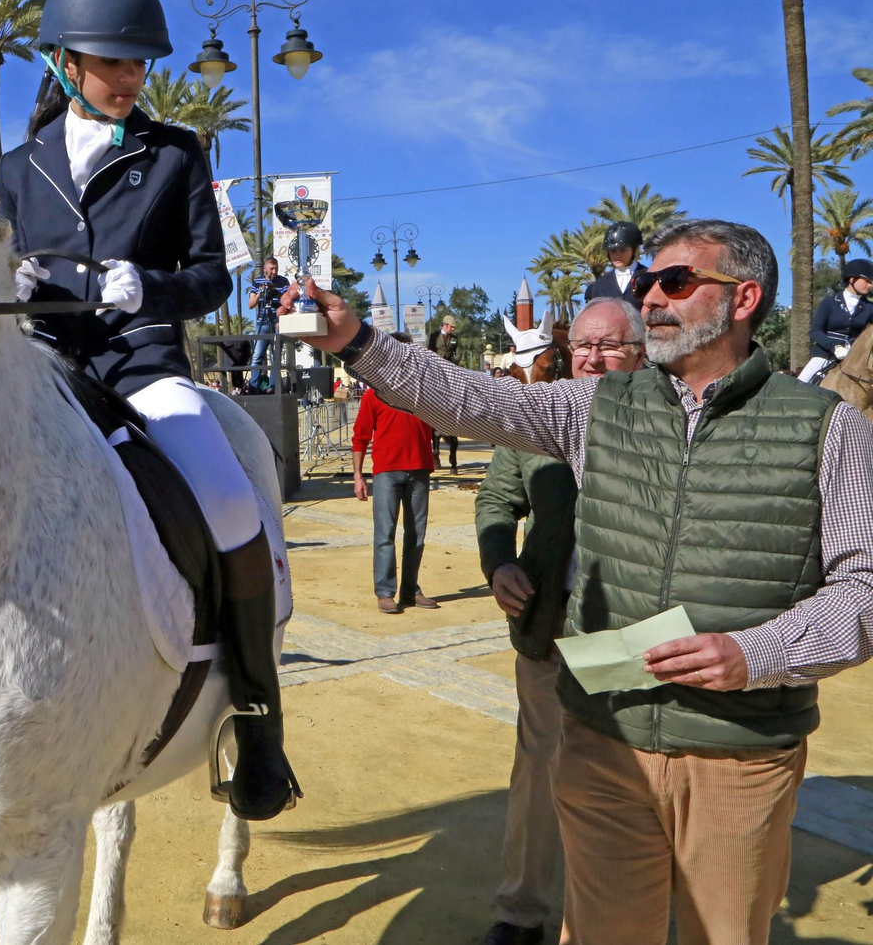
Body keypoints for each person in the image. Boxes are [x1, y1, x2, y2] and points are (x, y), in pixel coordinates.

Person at [286, 219, 873, 944]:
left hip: (739, 755)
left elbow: (863, 588)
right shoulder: (599, 407)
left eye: (677, 282)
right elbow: (475, 400)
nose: (652, 296)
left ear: (744, 297)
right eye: (650, 281)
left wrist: (759, 653)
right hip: (604, 742)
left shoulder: (828, 427)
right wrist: (360, 343)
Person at [0, 0, 298, 821]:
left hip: (141, 363)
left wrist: (145, 288)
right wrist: (4, 279)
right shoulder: (16, 168)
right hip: (45, 363)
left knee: (232, 503)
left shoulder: (174, 153)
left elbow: (212, 281)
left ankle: (259, 720)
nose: (130, 79)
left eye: (138, 65)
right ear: (63, 63)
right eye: (112, 62)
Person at [474, 296, 646, 945]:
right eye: (584, 348)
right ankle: (520, 912)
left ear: (639, 354)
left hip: (625, 634)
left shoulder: (660, 422)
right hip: (549, 627)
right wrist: (499, 562)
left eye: (610, 347)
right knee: (541, 769)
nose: (595, 359)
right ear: (566, 356)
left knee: (616, 775)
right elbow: (497, 497)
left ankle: (602, 919)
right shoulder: (536, 418)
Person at [352, 333, 437, 614]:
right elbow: (360, 437)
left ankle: (410, 590)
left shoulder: (424, 392)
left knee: (417, 536)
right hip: (386, 473)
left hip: (420, 471)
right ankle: (385, 592)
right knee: (385, 534)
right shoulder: (373, 394)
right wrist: (358, 476)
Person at [798, 257, 873, 382]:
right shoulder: (830, 302)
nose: (870, 285)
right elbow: (815, 331)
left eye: (871, 281)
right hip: (825, 355)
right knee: (801, 383)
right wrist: (835, 347)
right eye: (867, 281)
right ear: (852, 279)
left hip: (854, 357)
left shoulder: (870, 307)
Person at [245, 256, 290, 393]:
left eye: (276, 268)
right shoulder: (257, 281)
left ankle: (272, 386)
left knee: (275, 357)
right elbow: (251, 305)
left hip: (277, 322)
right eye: (272, 269)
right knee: (257, 355)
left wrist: (277, 293)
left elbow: (287, 302)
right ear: (265, 269)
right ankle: (253, 387)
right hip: (262, 322)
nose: (274, 271)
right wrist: (260, 292)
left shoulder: (283, 281)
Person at [426, 315, 462, 472]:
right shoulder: (434, 336)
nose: (453, 329)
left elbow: (458, 353)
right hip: (435, 369)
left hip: (450, 370)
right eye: (451, 326)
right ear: (444, 325)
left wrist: (453, 365)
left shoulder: (455, 338)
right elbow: (428, 351)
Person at [583, 221, 648, 306]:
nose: (617, 255)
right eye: (613, 251)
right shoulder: (600, 284)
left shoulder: (648, 277)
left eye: (623, 250)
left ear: (635, 250)